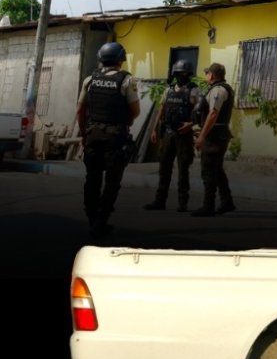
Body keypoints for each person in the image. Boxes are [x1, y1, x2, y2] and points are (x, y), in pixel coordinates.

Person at [76, 41, 140, 238]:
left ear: (101, 59)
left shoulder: (90, 80)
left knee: (92, 178)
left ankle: (92, 218)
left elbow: (80, 110)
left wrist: (83, 133)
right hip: (115, 137)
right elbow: (135, 111)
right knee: (112, 181)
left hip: (93, 134)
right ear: (121, 60)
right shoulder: (127, 80)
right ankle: (101, 221)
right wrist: (125, 121)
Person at [144, 60, 199, 211]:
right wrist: (154, 129)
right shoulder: (168, 90)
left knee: (183, 169)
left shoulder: (194, 90)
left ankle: (182, 203)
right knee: (164, 168)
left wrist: (191, 124)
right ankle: (159, 201)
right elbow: (161, 110)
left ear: (189, 74)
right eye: (179, 73)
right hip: (168, 133)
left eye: (184, 73)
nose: (182, 76)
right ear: (174, 74)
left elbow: (200, 112)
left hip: (184, 135)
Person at [192, 62, 236, 217]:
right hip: (218, 133)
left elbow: (213, 114)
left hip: (214, 136)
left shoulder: (218, 90)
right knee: (217, 170)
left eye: (207, 73)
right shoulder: (221, 88)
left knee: (208, 170)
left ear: (211, 75)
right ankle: (227, 201)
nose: (206, 75)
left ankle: (208, 205)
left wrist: (202, 136)